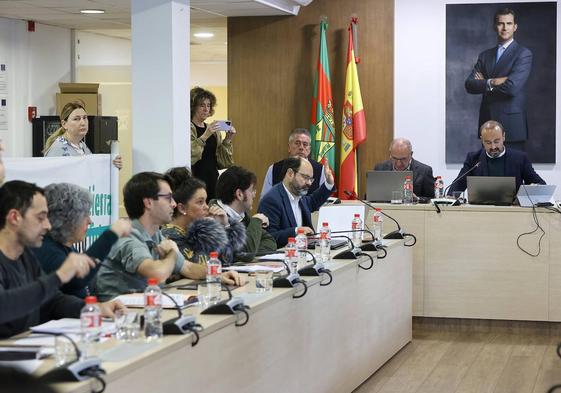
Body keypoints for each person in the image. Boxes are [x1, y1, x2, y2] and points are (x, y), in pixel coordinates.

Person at [0, 180, 125, 338]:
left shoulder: (25, 257)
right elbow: (5, 306)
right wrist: (59, 276)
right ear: (14, 217)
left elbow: (50, 300)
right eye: (41, 218)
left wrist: (92, 308)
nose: (48, 225)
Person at [96, 172, 241, 302]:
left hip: (143, 309)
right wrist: (172, 253)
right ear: (148, 203)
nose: (173, 204)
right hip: (118, 318)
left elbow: (188, 268)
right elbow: (157, 273)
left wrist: (217, 274)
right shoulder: (128, 236)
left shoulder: (156, 235)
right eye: (168, 198)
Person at [32, 183, 132, 298]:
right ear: (68, 218)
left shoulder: (66, 246)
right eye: (86, 215)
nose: (90, 221)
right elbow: (77, 280)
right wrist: (112, 234)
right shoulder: (45, 249)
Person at [465, 8, 532, 149]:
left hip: (512, 126)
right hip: (487, 122)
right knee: (489, 170)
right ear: (495, 26)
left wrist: (484, 83)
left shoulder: (523, 54)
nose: (505, 27)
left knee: (513, 169)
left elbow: (512, 88)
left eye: (508, 23)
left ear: (515, 27)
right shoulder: (485, 55)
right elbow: (469, 84)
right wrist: (493, 81)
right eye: (501, 23)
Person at [162, 167, 246, 266]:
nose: (206, 207)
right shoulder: (170, 236)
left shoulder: (191, 231)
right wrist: (209, 229)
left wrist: (225, 225)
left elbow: (228, 260)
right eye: (200, 202)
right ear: (182, 208)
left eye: (206, 201)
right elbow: (203, 264)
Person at [448, 120, 545, 194]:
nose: (493, 147)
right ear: (482, 140)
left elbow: (541, 185)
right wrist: (449, 198)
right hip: (481, 212)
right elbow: (456, 187)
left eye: (496, 141)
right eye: (488, 142)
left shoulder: (520, 158)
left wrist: (532, 188)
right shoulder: (473, 159)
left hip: (513, 212)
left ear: (504, 137)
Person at [258, 156, 334, 248]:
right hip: (284, 257)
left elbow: (313, 200)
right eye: (305, 177)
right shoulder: (272, 200)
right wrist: (296, 231)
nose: (309, 183)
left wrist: (329, 183)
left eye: (311, 179)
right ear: (290, 174)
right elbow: (269, 238)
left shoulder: (299, 197)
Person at [212, 166, 277, 261]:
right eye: (251, 190)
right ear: (239, 194)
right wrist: (257, 220)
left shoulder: (241, 215)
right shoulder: (215, 217)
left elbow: (270, 242)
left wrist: (244, 254)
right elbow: (246, 252)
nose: (254, 194)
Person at [43, 100, 123, 169]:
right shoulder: (58, 148)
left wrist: (113, 165)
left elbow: (92, 169)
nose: (83, 122)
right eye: (76, 119)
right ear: (64, 124)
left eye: (85, 118)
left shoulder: (82, 146)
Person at [190, 87, 235, 200]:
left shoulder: (214, 132)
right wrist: (205, 135)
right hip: (194, 181)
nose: (206, 109)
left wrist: (227, 140)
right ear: (193, 107)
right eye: (202, 105)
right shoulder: (188, 128)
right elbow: (190, 156)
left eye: (208, 105)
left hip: (213, 181)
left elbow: (224, 163)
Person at [261, 128, 326, 198]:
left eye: (305, 144)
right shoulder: (274, 169)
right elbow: (265, 199)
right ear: (289, 147)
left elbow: (324, 200)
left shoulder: (320, 170)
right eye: (297, 143)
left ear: (309, 150)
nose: (301, 147)